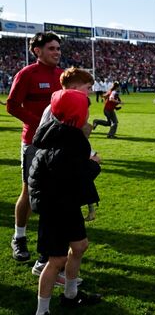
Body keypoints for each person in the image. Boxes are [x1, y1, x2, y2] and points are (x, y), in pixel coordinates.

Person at [29, 89, 102, 315]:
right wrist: (94, 165)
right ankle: (42, 311)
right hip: (55, 208)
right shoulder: (67, 140)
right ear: (77, 113)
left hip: (66, 204)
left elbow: (70, 176)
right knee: (56, 259)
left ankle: (70, 295)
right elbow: (69, 174)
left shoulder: (66, 134)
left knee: (79, 246)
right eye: (86, 109)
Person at [6, 31, 63, 263]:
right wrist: (39, 125)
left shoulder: (62, 75)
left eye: (58, 49)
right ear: (37, 51)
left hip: (57, 143)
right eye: (52, 48)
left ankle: (48, 248)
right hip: (33, 142)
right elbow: (12, 105)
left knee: (55, 194)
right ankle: (19, 238)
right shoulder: (26, 74)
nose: (57, 52)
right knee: (28, 193)